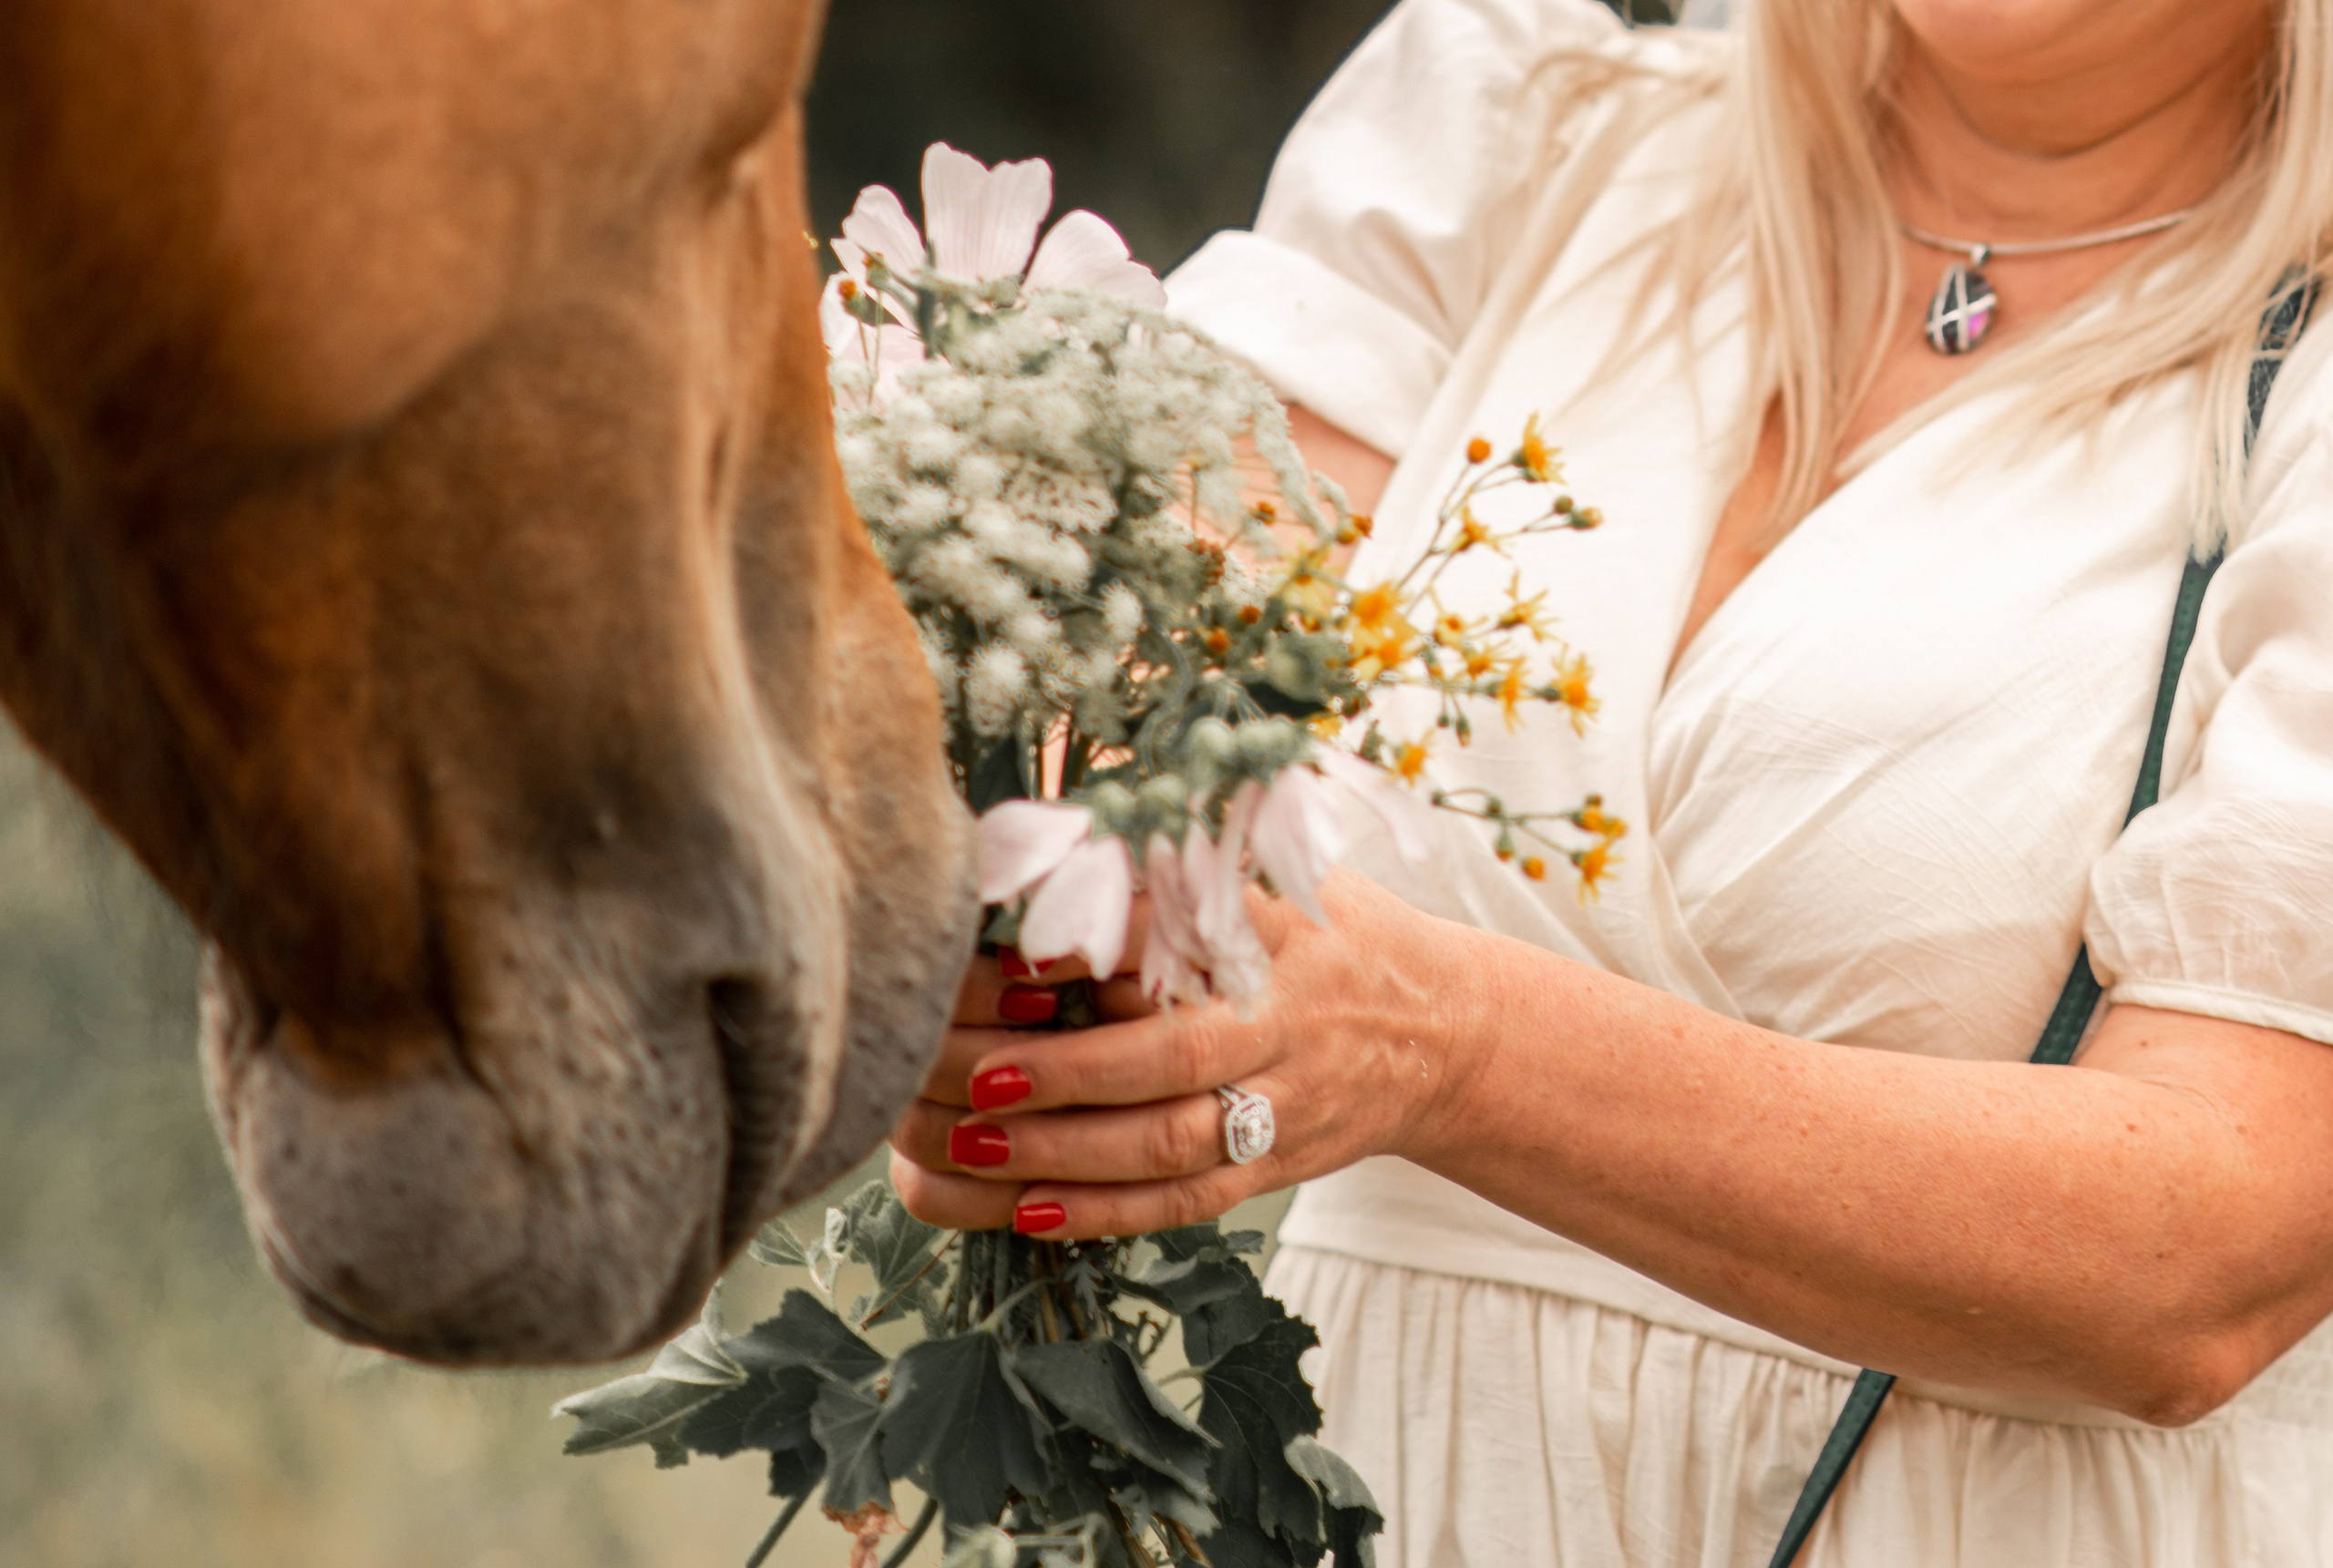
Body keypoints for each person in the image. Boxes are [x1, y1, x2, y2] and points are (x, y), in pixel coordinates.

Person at [891, 0, 2333, 1561]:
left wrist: (1447, 1047)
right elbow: (1132, 691)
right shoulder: (1519, 123)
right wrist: (1030, 971)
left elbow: (2210, 1256)